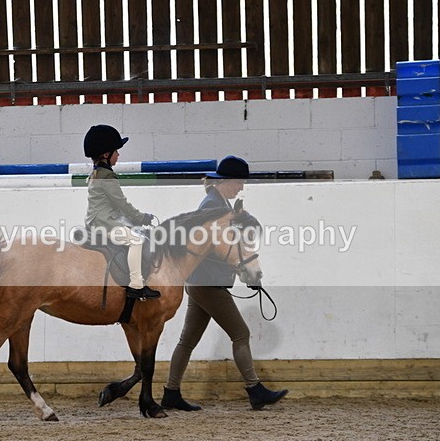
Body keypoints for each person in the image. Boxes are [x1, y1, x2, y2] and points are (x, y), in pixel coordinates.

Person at [161, 155, 288, 410]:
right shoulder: (212, 205)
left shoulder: (217, 202)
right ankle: (254, 389)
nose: (241, 186)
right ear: (227, 181)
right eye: (239, 181)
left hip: (201, 283)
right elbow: (211, 246)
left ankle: (171, 393)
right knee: (241, 334)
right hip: (208, 285)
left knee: (187, 341)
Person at [83, 124, 160, 300]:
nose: (119, 155)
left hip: (98, 220)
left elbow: (115, 206)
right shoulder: (107, 176)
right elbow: (122, 203)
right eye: (116, 151)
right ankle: (136, 285)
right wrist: (141, 217)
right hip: (104, 223)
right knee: (136, 240)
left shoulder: (97, 173)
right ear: (106, 154)